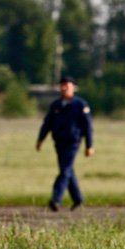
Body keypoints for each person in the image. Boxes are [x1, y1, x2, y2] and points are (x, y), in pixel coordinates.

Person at [36, 75, 94, 211]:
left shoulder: (80, 105)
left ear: (73, 88)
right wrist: (40, 139)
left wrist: (89, 145)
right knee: (67, 171)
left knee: (65, 171)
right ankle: (78, 199)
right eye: (61, 85)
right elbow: (47, 123)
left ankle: (56, 200)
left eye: (66, 85)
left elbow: (88, 126)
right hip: (59, 142)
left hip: (73, 142)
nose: (63, 88)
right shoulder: (56, 105)